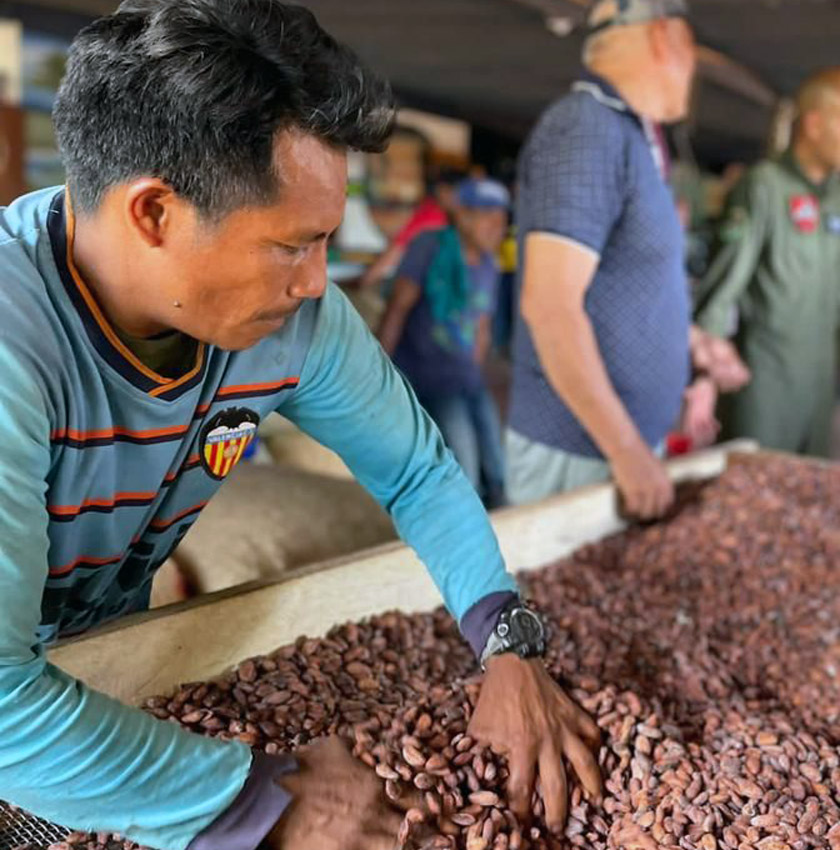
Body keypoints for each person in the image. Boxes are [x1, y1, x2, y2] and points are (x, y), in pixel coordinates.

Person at [0, 3, 600, 849]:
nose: (318, 284)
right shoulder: (13, 345)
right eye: (293, 244)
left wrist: (507, 639)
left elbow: (416, 472)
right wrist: (258, 807)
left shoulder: (292, 324)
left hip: (109, 660)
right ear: (154, 214)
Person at [507, 0, 703, 516]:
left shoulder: (628, 133)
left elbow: (628, 284)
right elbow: (550, 307)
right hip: (581, 451)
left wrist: (693, 346)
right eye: (693, 47)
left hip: (609, 448)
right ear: (665, 39)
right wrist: (626, 448)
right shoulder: (586, 129)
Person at [694, 68, 840, 456]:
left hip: (818, 384)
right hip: (763, 383)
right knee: (755, 494)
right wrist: (703, 373)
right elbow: (723, 283)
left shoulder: (839, 197)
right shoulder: (763, 185)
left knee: (807, 495)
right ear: (814, 124)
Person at [378, 178, 511, 508]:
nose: (497, 228)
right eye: (488, 218)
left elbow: (482, 327)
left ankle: (499, 526)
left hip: (465, 378)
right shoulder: (430, 247)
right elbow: (397, 308)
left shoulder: (490, 266)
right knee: (463, 462)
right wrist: (378, 377)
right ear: (463, 216)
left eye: (502, 219)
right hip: (429, 378)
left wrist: (474, 373)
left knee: (496, 463)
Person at [356, 166, 465, 291]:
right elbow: (398, 248)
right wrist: (367, 280)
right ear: (442, 190)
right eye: (458, 193)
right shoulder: (432, 216)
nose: (461, 200)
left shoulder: (442, 215)